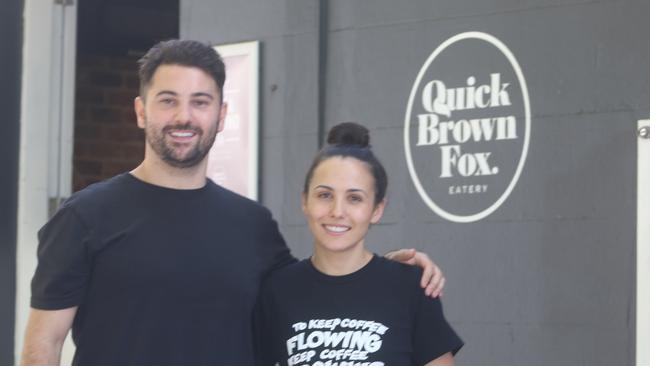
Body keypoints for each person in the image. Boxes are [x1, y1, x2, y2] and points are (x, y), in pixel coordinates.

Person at [21, 40, 445, 366]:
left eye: (200, 102)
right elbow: (44, 345)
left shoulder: (252, 225)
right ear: (140, 111)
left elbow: (314, 289)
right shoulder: (84, 218)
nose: (184, 117)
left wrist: (388, 273)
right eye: (168, 100)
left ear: (221, 115)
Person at [254, 122, 463, 366]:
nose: (337, 211)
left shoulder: (410, 288)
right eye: (324, 195)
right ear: (305, 201)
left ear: (377, 209)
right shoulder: (277, 291)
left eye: (354, 198)